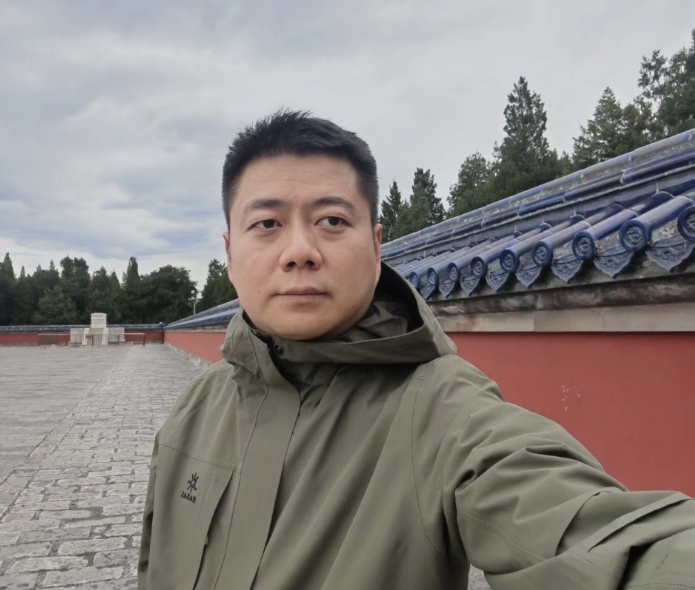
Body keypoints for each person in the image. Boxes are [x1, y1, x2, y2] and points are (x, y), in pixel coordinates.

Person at [139, 110, 695, 590]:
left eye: (332, 220)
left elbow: (599, 540)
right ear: (230, 253)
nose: (300, 250)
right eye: (267, 223)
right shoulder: (195, 411)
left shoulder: (443, 412)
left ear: (376, 245)